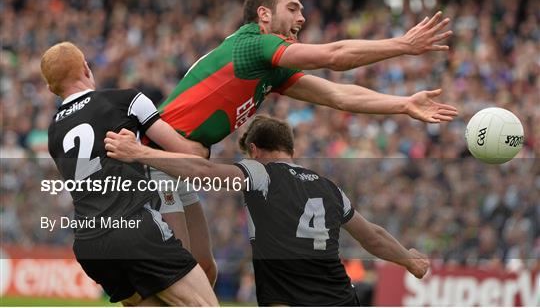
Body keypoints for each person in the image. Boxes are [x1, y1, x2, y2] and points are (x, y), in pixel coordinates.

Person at [152, 0, 457, 284]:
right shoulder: (256, 45)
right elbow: (334, 56)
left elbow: (337, 95)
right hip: (154, 155)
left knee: (204, 268)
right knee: (181, 276)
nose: (302, 16)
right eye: (293, 9)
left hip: (178, 160)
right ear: (264, 14)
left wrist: (403, 103)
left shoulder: (269, 67)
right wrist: (403, 44)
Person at [105, 115, 431, 306]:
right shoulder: (327, 186)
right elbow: (371, 236)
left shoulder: (261, 172)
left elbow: (205, 173)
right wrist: (409, 259)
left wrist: (139, 152)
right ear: (291, 149)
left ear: (255, 150)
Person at [42, 42, 217, 306]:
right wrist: (206, 144)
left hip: (90, 245)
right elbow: (186, 153)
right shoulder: (126, 100)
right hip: (134, 229)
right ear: (86, 68)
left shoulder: (54, 132)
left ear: (50, 88)